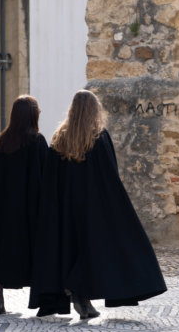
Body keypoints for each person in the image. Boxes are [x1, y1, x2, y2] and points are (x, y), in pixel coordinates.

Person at [29, 89, 167, 319]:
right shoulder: (99, 139)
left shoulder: (59, 139)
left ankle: (79, 295)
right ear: (95, 111)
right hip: (93, 210)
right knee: (92, 252)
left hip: (64, 210)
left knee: (70, 250)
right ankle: (81, 295)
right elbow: (110, 178)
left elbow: (51, 180)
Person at [0, 95, 49, 315]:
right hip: (27, 211)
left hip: (2, 210)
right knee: (34, 251)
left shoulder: (3, 141)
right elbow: (44, 179)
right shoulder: (36, 141)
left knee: (0, 251)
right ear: (32, 115)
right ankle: (42, 296)